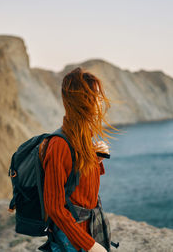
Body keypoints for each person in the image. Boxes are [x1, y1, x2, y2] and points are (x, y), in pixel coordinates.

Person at [39, 67, 119, 252]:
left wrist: (96, 160)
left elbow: (79, 181)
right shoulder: (59, 145)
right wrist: (89, 245)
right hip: (72, 238)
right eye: (96, 96)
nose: (101, 102)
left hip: (86, 229)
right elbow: (54, 207)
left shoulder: (82, 138)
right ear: (82, 101)